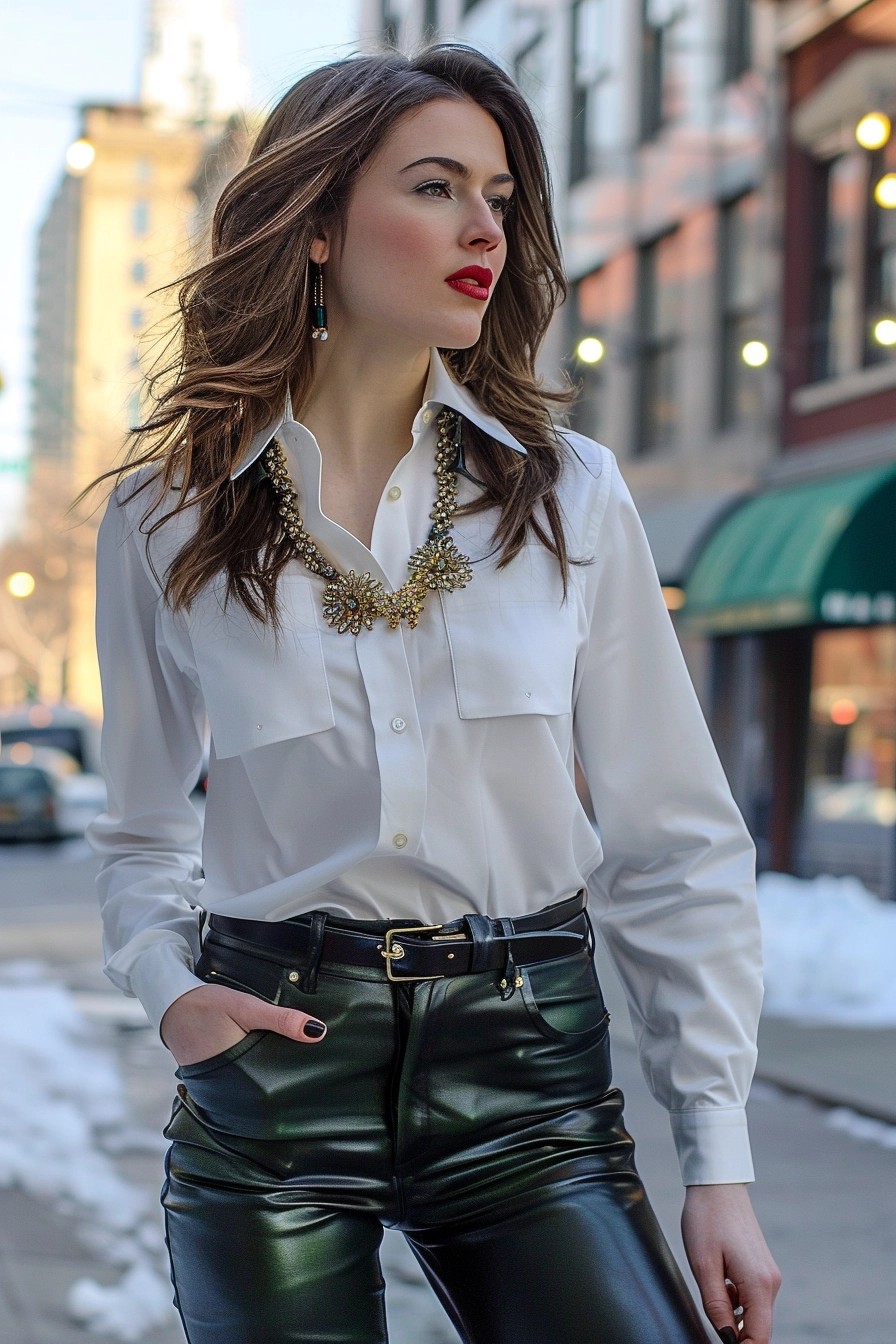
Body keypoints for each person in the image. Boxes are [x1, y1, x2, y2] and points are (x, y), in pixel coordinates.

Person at [86, 43, 780, 1344]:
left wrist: (719, 1163)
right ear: (317, 227)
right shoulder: (166, 513)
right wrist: (166, 991)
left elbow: (675, 841)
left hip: (528, 1072)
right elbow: (137, 830)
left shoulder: (572, 496)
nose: (484, 230)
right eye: (436, 187)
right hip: (275, 1069)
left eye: (502, 197)